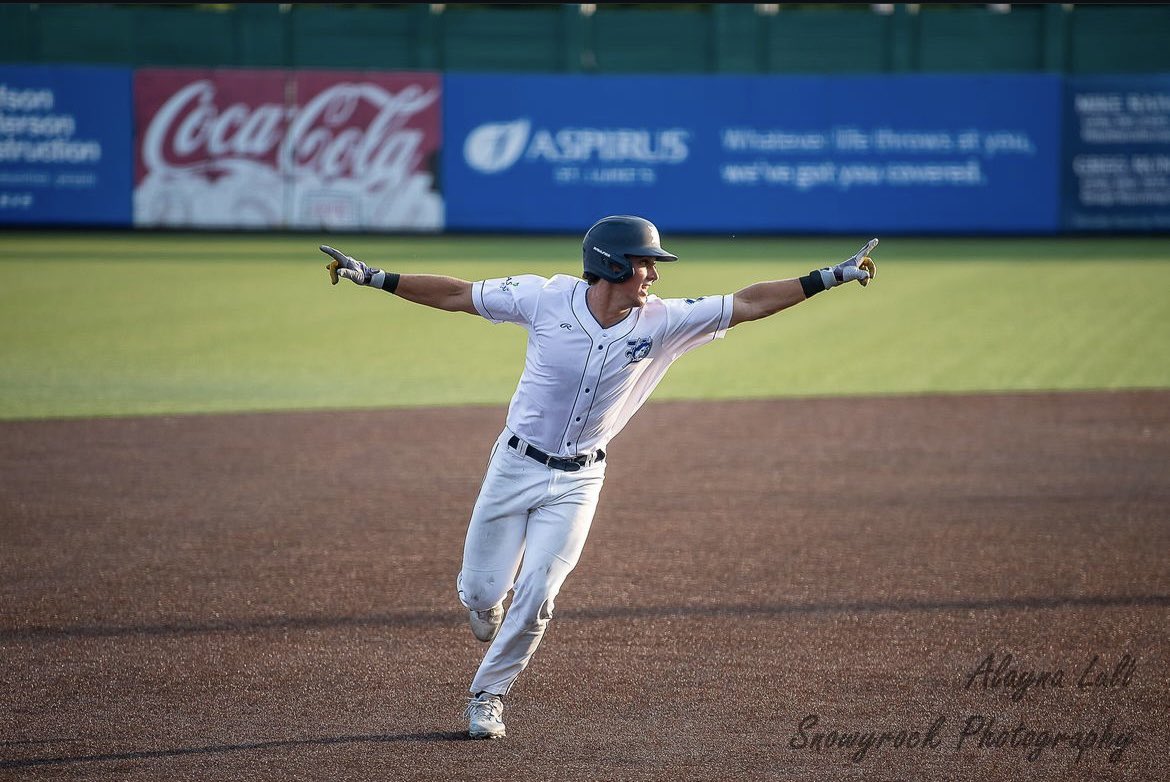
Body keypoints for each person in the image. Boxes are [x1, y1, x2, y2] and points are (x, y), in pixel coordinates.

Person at [320, 215, 878, 740]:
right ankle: (484, 602)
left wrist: (830, 277)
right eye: (645, 262)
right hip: (514, 465)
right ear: (612, 264)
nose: (654, 274)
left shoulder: (664, 320)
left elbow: (749, 303)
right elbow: (456, 294)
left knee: (539, 594)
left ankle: (488, 695)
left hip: (579, 481)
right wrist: (375, 277)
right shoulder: (543, 298)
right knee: (482, 591)